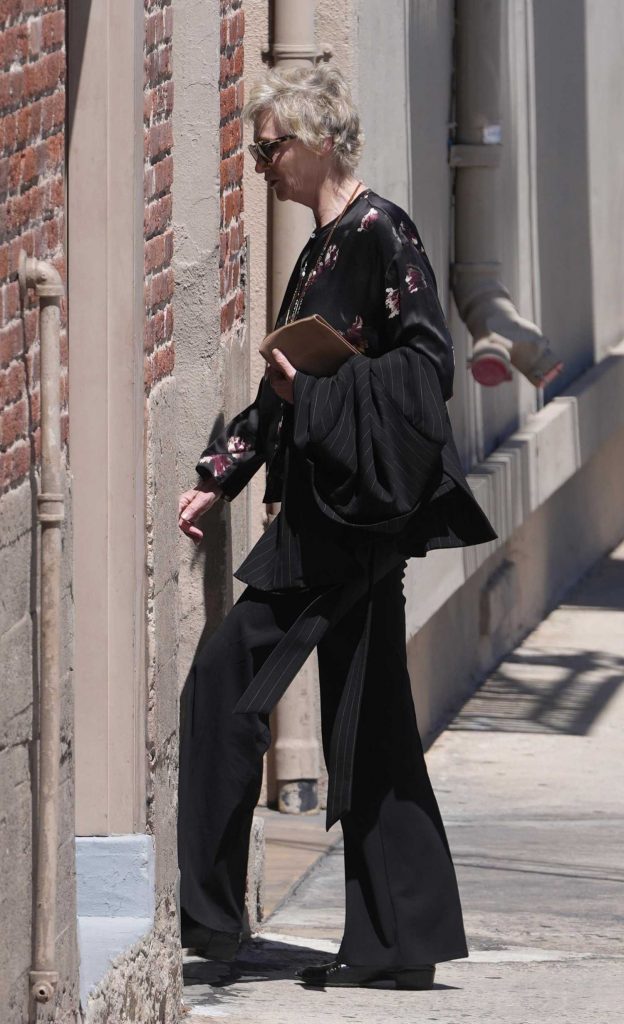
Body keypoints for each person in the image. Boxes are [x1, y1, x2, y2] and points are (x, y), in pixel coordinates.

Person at [177, 64, 496, 990]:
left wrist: (314, 391)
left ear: (318, 141)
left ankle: (209, 919)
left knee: (223, 681)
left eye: (269, 147)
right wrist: (221, 476)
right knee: (375, 722)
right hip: (327, 514)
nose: (259, 165)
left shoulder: (380, 234)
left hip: (346, 527)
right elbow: (285, 393)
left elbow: (425, 374)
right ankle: (404, 941)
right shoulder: (321, 248)